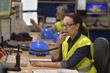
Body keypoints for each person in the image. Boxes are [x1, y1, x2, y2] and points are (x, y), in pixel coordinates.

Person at [31, 13, 97, 73]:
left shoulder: (84, 42)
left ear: (77, 26)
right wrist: (58, 43)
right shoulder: (66, 39)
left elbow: (69, 64)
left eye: (68, 25)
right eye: (64, 25)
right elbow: (55, 60)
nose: (65, 28)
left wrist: (42, 64)